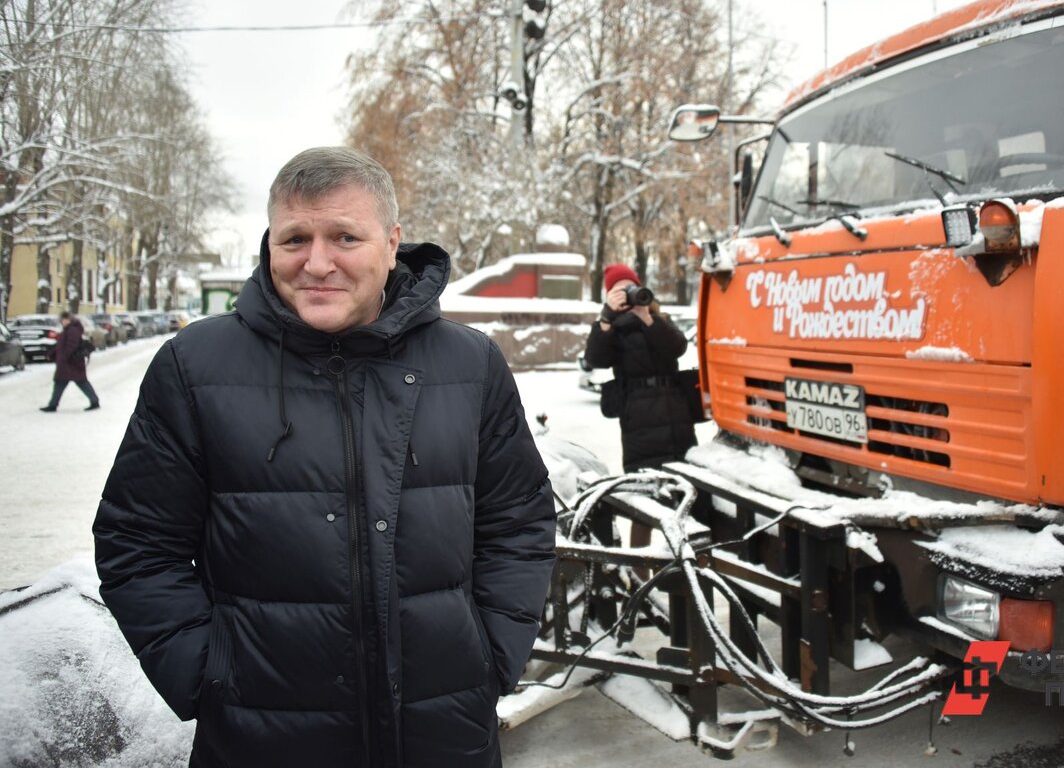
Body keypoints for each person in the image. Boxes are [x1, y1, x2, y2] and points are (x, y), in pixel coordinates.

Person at [93, 147, 556, 768]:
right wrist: (207, 673)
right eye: (294, 239)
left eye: (344, 236)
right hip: (259, 737)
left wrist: (492, 655)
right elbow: (138, 542)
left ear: (391, 243)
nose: (317, 263)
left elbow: (519, 524)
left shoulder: (470, 365)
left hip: (443, 730)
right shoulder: (194, 366)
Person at [583, 264, 697, 473]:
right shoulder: (610, 326)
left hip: (674, 408)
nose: (628, 294)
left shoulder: (658, 319)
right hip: (638, 414)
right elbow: (596, 360)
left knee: (686, 471)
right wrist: (606, 319)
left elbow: (678, 347)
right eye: (621, 290)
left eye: (632, 288)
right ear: (610, 296)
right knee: (646, 474)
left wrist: (646, 317)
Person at [40, 310, 100, 412]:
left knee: (79, 382)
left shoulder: (72, 330)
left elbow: (71, 346)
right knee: (63, 383)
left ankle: (53, 405)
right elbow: (60, 346)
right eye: (62, 319)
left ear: (69, 319)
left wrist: (63, 357)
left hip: (72, 362)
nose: (62, 321)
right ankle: (53, 404)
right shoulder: (68, 330)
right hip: (70, 363)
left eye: (64, 319)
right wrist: (52, 354)